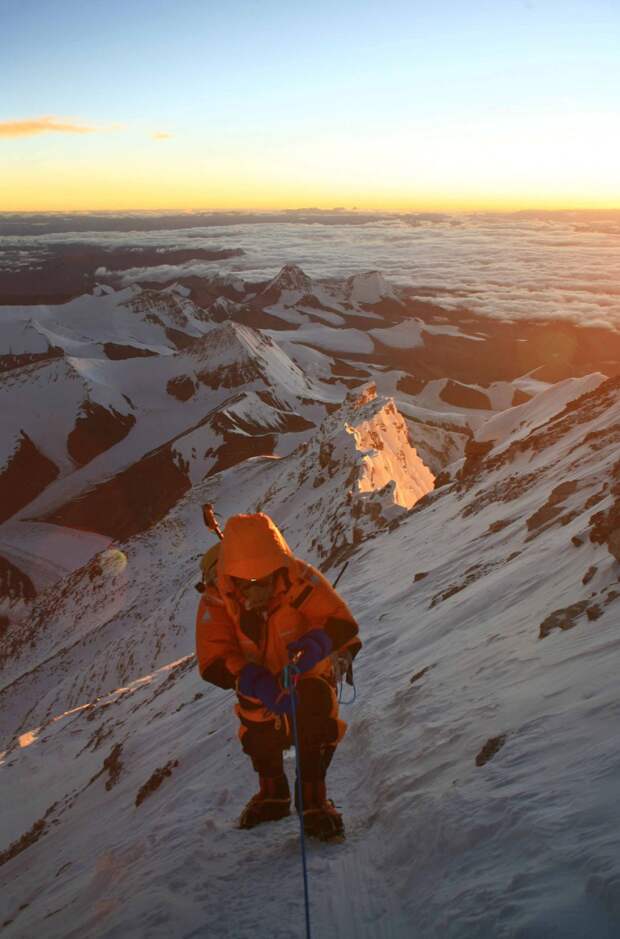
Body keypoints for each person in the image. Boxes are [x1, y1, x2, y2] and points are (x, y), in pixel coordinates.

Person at [195, 512, 361, 840]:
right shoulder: (218, 598)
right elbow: (213, 657)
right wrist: (250, 678)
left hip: (307, 675)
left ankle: (313, 802)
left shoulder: (298, 579)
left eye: (265, 581)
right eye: (248, 585)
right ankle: (273, 793)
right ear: (232, 579)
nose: (258, 592)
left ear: (278, 568)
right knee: (258, 732)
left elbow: (339, 621)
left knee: (315, 722)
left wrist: (315, 645)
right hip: (257, 681)